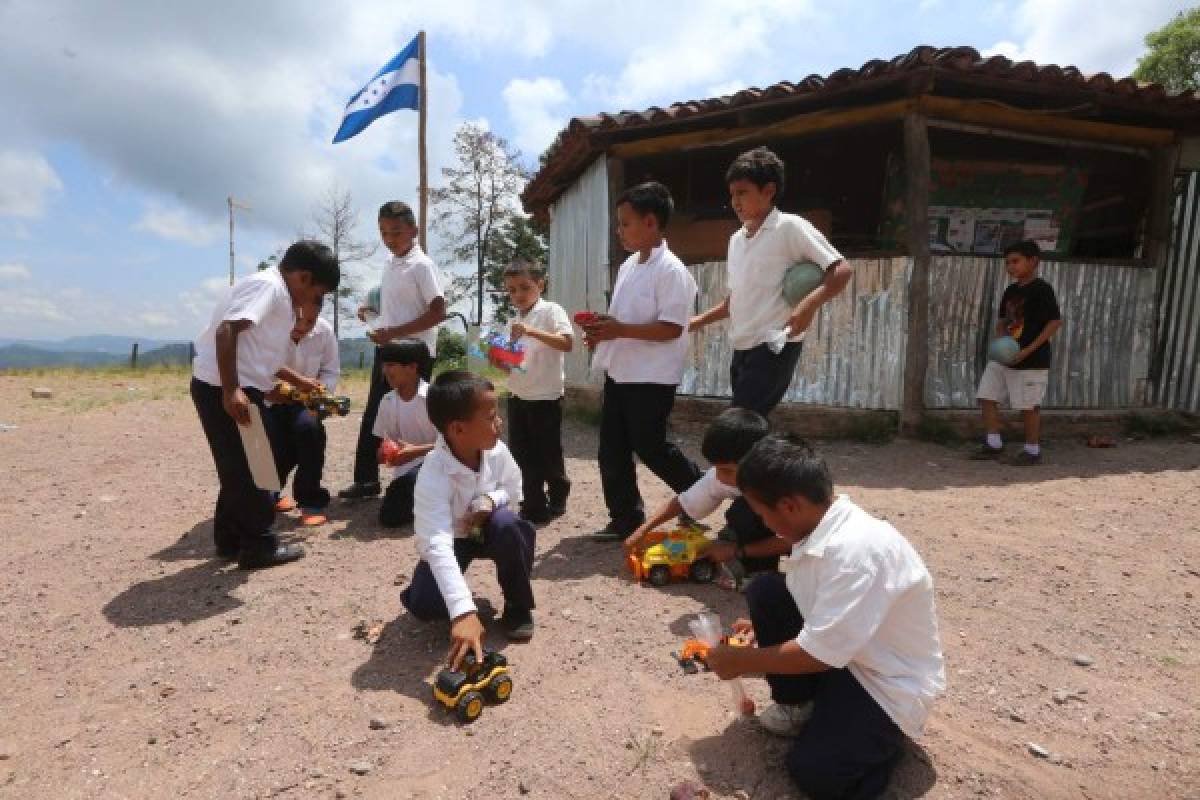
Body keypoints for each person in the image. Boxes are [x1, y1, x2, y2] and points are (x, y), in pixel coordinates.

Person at [704, 434, 945, 800]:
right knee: (767, 592)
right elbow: (816, 598)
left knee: (816, 773)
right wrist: (762, 630)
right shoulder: (819, 526)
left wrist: (740, 660)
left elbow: (815, 654)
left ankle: (884, 741)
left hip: (884, 683)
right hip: (848, 654)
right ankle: (803, 707)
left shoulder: (856, 553)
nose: (763, 522)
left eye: (762, 513)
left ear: (788, 505)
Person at [190, 240, 339, 569]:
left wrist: (294, 382)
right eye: (317, 294)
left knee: (238, 469)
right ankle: (260, 545)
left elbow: (259, 354)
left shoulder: (279, 297)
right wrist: (231, 391)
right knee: (256, 469)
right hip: (224, 388)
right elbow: (226, 331)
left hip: (234, 387)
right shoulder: (269, 287)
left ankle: (230, 540)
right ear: (302, 277)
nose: (315, 303)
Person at [579, 181, 703, 541]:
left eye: (625, 223)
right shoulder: (630, 266)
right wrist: (602, 329)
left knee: (651, 448)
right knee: (611, 451)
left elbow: (672, 328)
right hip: (621, 370)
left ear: (651, 223)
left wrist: (618, 330)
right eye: (619, 224)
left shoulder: (673, 271)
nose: (619, 231)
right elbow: (623, 320)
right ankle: (625, 520)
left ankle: (699, 497)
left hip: (653, 376)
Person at [690, 146, 853, 417]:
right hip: (742, 345)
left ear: (768, 191)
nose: (735, 202)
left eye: (742, 192)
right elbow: (736, 300)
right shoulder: (736, 240)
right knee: (750, 427)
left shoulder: (789, 227)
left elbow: (841, 270)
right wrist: (696, 322)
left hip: (774, 344)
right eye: (732, 194)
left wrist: (808, 305)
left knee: (738, 425)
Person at [399, 371, 537, 666]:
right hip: (454, 541)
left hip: (490, 530)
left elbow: (514, 490)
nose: (498, 423)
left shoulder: (496, 451)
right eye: (490, 417)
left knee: (510, 526)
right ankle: (433, 592)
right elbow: (436, 541)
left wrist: (490, 501)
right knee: (425, 606)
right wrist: (463, 610)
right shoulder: (432, 475)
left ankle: (517, 604)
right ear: (458, 430)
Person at [340, 201, 445, 500]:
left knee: (416, 415)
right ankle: (366, 480)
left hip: (414, 352)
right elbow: (398, 309)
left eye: (396, 232)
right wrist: (372, 313)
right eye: (384, 232)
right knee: (376, 412)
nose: (389, 238)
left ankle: (424, 479)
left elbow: (438, 311)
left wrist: (394, 333)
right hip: (388, 348)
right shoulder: (390, 263)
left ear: (413, 230)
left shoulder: (422, 265)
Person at [622, 408, 789, 587]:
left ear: (756, 462)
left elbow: (791, 541)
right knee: (745, 511)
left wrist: (737, 551)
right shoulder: (724, 475)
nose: (718, 476)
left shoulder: (785, 487)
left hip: (808, 543)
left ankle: (762, 570)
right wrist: (643, 530)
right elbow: (683, 502)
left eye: (726, 470)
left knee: (745, 513)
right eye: (716, 468)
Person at [971, 240, 1063, 465]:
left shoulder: (1042, 289)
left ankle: (1032, 451)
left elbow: (1054, 323)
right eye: (1008, 262)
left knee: (1028, 406)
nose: (1011, 266)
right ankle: (993, 443)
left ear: (1033, 261)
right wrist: (1002, 341)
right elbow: (1003, 319)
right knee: (987, 395)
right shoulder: (1011, 290)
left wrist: (1027, 350)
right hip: (1005, 356)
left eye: (1016, 261)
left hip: (1032, 359)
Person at [498, 258, 574, 525]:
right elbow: (513, 365)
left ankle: (559, 491)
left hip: (546, 397)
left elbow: (567, 343)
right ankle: (533, 505)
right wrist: (498, 360)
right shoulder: (512, 322)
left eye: (524, 287)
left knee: (548, 453)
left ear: (540, 284)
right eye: (511, 290)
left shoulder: (551, 311)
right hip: (517, 395)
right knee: (520, 453)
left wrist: (532, 331)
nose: (517, 295)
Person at [265, 300, 340, 526]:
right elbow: (259, 366)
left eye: (310, 321)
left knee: (310, 431)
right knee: (273, 447)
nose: (302, 326)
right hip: (271, 399)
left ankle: (310, 501)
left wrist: (321, 394)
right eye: (297, 319)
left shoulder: (325, 332)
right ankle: (270, 495)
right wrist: (269, 391)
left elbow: (330, 370)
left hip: (307, 402)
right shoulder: (269, 331)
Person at [372, 339, 438, 527]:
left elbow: (453, 444)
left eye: (391, 365)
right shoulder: (387, 401)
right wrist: (384, 454)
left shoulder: (434, 398)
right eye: (384, 365)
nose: (385, 371)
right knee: (390, 516)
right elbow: (385, 444)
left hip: (439, 466)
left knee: (409, 486)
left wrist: (415, 451)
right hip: (407, 473)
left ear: (412, 367)